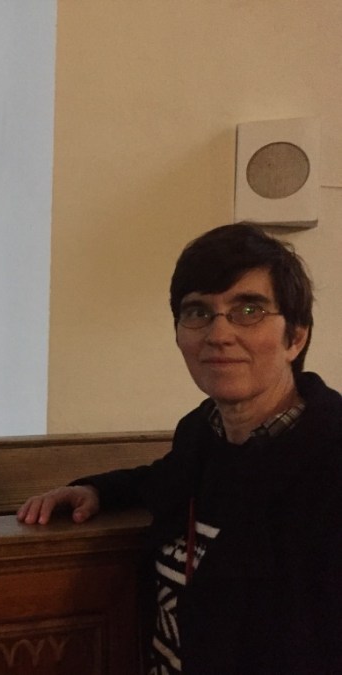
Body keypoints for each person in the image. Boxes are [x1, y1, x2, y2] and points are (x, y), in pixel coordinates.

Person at [17, 223, 342, 674]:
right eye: (198, 312)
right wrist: (95, 491)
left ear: (296, 337)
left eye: (248, 310)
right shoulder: (203, 433)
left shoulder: (330, 457)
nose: (219, 333)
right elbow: (161, 479)